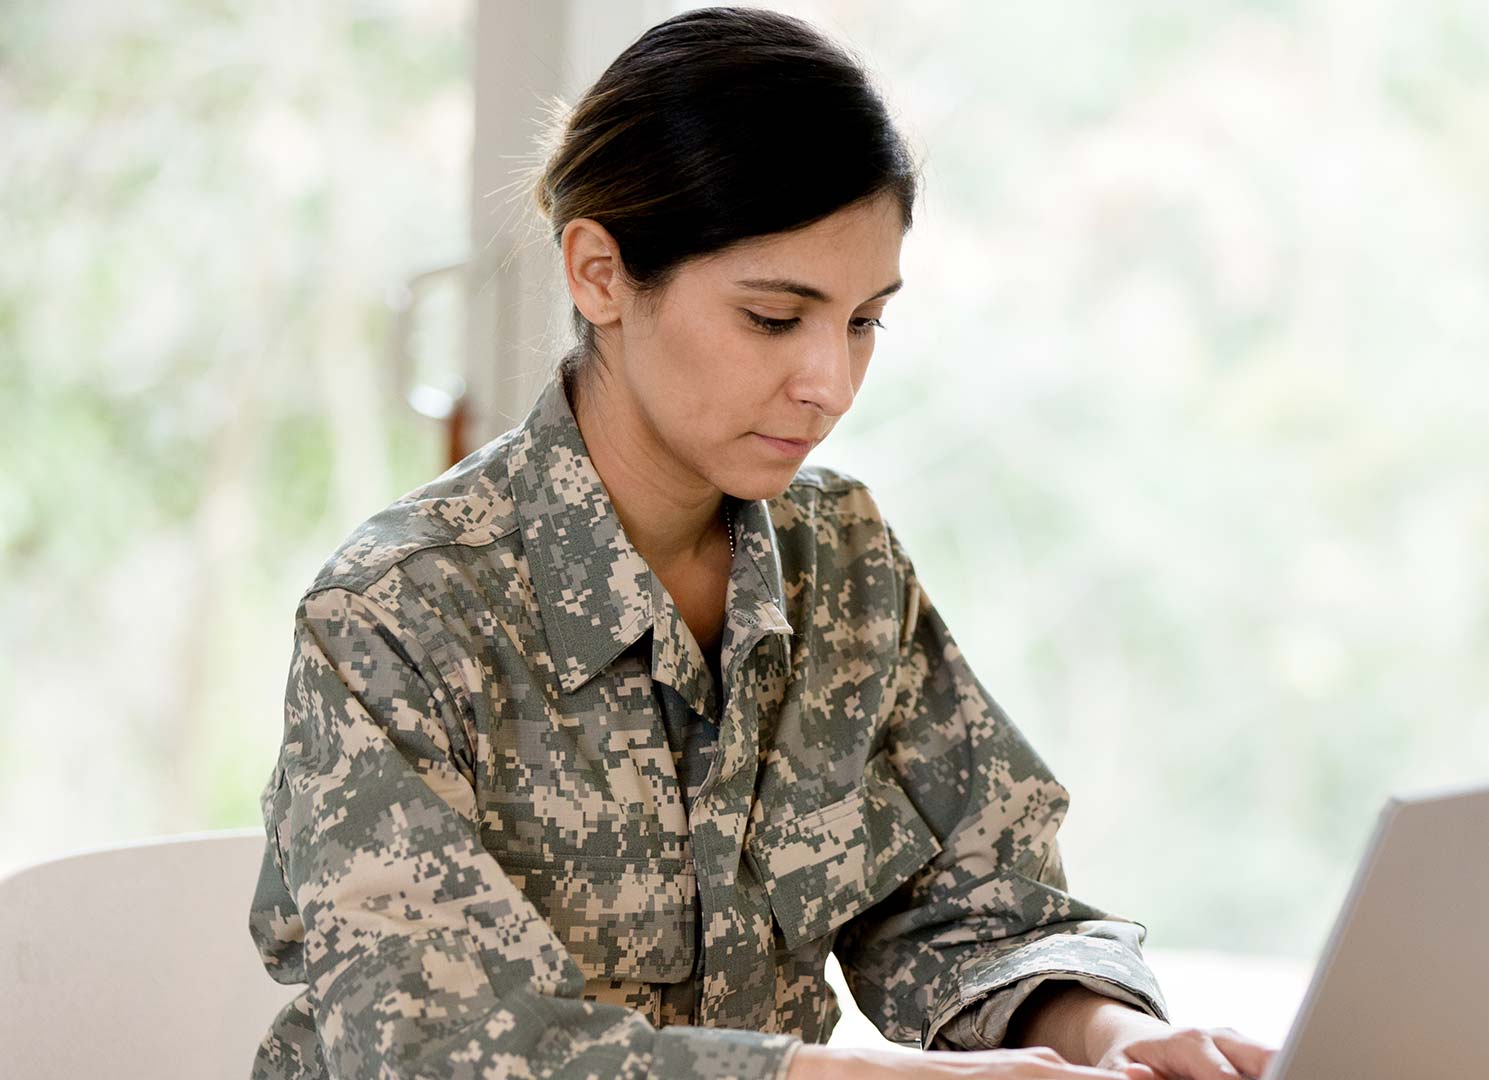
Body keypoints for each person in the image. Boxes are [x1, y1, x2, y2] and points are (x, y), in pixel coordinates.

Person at [247, 7, 1278, 1079]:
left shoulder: (843, 561)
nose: (829, 383)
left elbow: (975, 905)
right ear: (598, 274)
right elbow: (441, 1050)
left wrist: (1124, 1040)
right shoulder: (396, 613)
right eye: (776, 319)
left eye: (865, 319)